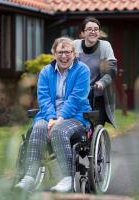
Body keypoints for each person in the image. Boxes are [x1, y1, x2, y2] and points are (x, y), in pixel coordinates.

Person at [15, 37, 91, 193]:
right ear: (54, 54)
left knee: (59, 130)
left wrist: (60, 119)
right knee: (38, 127)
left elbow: (76, 98)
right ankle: (29, 176)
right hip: (48, 116)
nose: (64, 56)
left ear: (74, 53)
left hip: (74, 117)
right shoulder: (46, 72)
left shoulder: (82, 70)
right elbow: (43, 98)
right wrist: (51, 118)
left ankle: (66, 178)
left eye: (68, 52)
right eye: (60, 52)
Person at [74, 16, 117, 127]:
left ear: (99, 32)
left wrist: (102, 82)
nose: (93, 31)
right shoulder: (75, 45)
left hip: (98, 95)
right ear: (83, 33)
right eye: (89, 29)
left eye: (96, 29)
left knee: (95, 127)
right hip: (78, 95)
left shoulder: (104, 46)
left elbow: (111, 69)